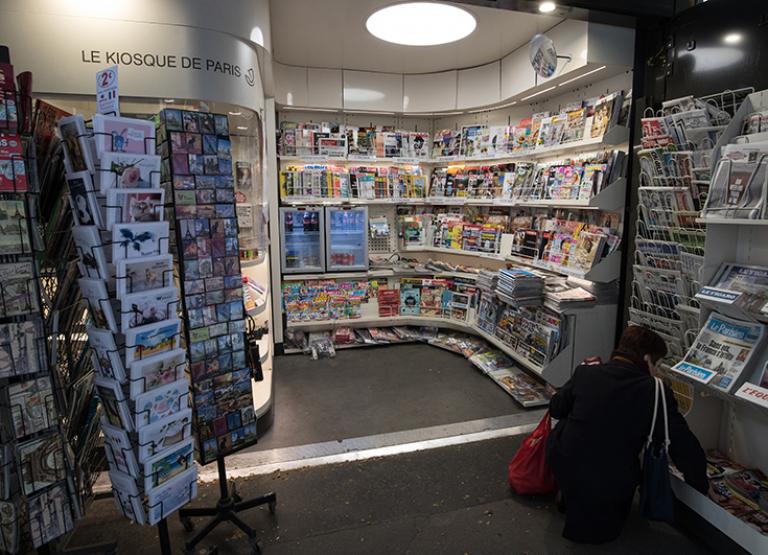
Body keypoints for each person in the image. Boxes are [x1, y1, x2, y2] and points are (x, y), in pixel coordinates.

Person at [546, 325, 708, 544]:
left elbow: (556, 409)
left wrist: (565, 391)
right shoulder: (654, 391)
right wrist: (701, 487)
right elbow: (683, 445)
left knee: (575, 423)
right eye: (657, 364)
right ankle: (589, 506)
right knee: (607, 528)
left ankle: (571, 494)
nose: (656, 370)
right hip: (612, 478)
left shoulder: (587, 371)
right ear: (647, 358)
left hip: (564, 461)